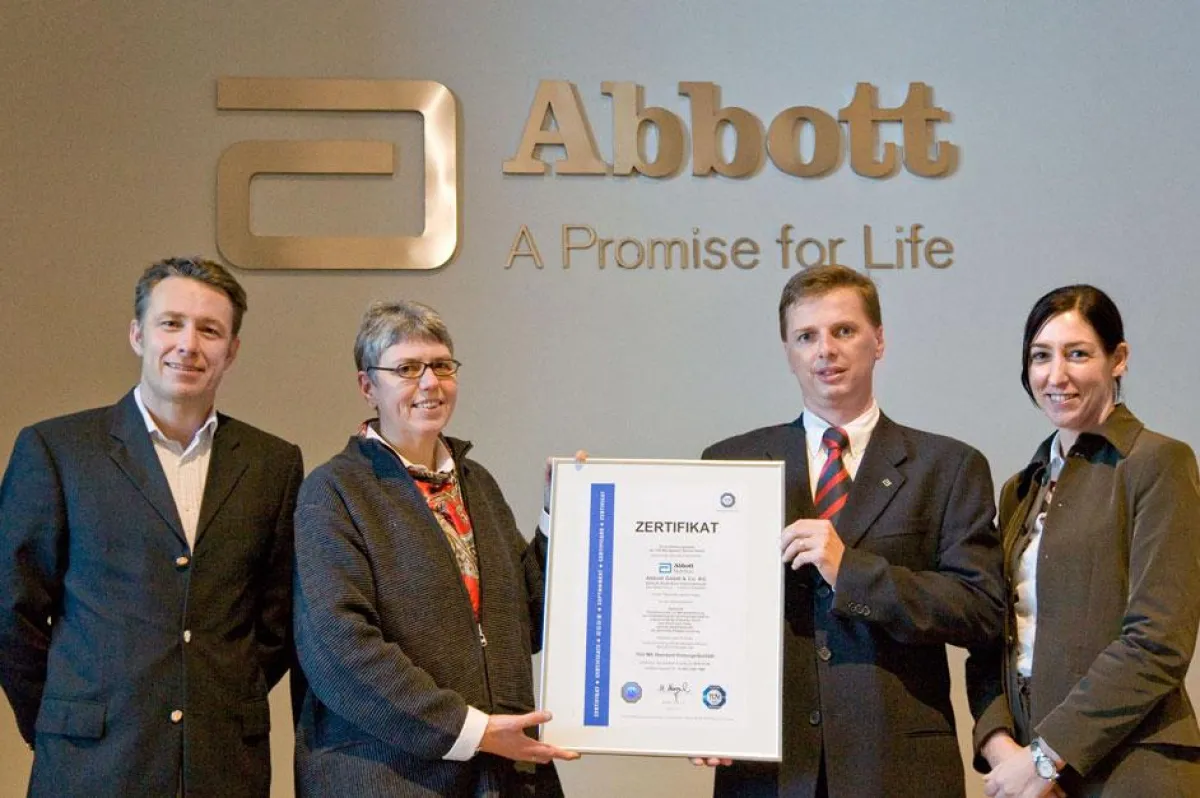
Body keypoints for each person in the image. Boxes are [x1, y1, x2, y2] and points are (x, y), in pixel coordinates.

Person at [0, 257, 304, 797]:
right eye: (171, 323)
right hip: (89, 763)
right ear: (138, 334)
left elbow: (275, 622)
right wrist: (60, 715)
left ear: (231, 350)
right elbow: (10, 608)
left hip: (223, 764)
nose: (189, 344)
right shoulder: (58, 450)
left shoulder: (272, 464)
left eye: (210, 330)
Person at [700, 265, 1004, 798]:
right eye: (806, 336)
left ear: (879, 341)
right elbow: (704, 608)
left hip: (898, 767)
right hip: (767, 771)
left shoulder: (948, 466)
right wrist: (694, 709)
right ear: (787, 351)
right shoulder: (732, 462)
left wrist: (852, 573)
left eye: (844, 331)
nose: (825, 351)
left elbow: (979, 609)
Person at [292, 299, 578, 796]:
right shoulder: (334, 490)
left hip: (504, 777)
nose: (430, 383)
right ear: (368, 387)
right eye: (406, 368)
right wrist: (469, 731)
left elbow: (529, 620)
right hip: (390, 778)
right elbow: (339, 650)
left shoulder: (476, 484)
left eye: (442, 366)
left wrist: (563, 515)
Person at [968, 284, 1200, 797]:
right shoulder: (1019, 489)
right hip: (1031, 776)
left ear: (1118, 359)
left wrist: (1048, 755)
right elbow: (992, 636)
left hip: (1132, 771)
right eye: (1040, 356)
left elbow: (1158, 641)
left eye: (1078, 354)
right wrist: (1002, 746)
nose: (1056, 376)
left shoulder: (1158, 463)